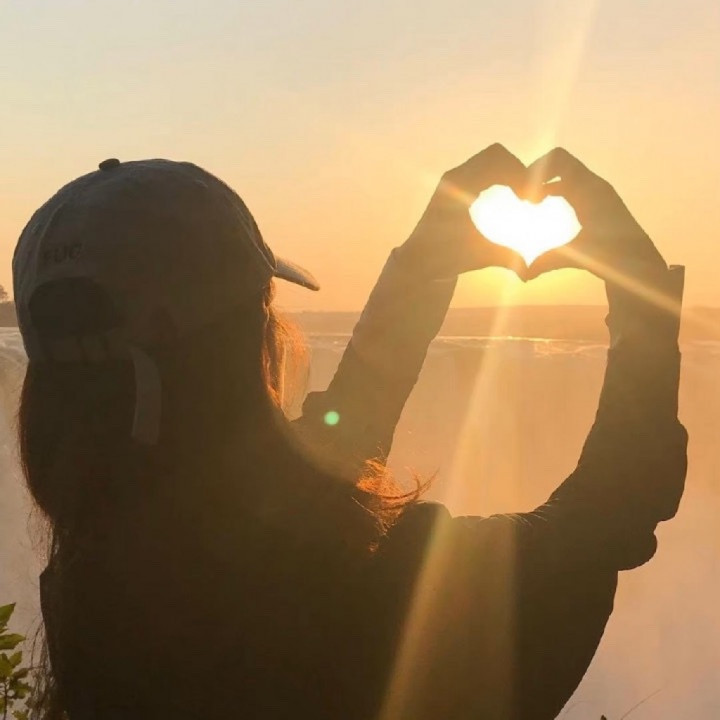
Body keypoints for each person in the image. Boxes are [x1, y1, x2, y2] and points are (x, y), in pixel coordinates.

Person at [13, 145, 686, 720]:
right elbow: (603, 520)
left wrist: (419, 272)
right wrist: (643, 295)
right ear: (246, 346)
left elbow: (309, 473)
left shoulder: (90, 580)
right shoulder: (383, 595)